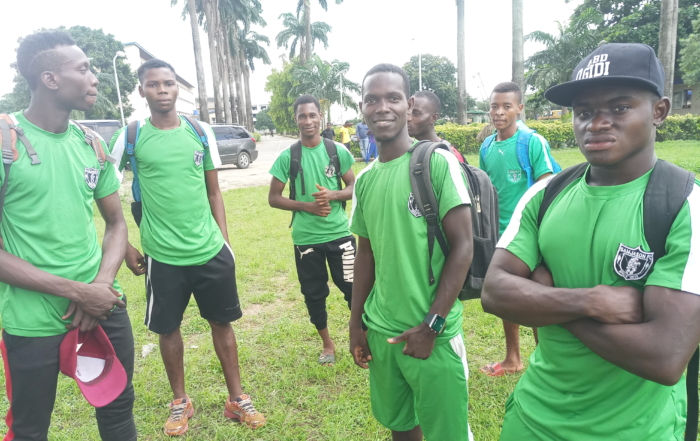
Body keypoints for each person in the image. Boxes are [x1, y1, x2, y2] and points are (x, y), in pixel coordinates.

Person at [482, 43, 700, 440]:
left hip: (636, 431)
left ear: (659, 111)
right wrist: (591, 301)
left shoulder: (683, 205)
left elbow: (665, 356)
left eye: (619, 107)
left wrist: (548, 299)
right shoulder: (546, 194)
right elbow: (494, 292)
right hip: (532, 420)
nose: (596, 123)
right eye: (583, 112)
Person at [110, 59, 265, 436]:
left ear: (177, 87)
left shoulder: (199, 130)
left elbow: (214, 192)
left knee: (222, 323)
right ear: (142, 90)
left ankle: (237, 399)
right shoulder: (131, 136)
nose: (162, 90)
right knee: (168, 329)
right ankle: (180, 401)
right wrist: (126, 246)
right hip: (162, 256)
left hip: (209, 250)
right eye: (153, 84)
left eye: (168, 83)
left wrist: (225, 243)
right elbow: (104, 191)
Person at [0, 30, 136, 440]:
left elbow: (116, 224)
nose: (94, 78)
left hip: (104, 306)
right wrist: (78, 292)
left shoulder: (91, 143)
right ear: (50, 79)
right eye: (83, 69)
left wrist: (100, 286)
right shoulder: (6, 141)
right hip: (33, 320)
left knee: (118, 411)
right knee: (30, 429)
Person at [349, 64, 474, 441]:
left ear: (409, 103)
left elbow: (463, 246)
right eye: (372, 100)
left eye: (393, 97)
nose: (382, 107)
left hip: (432, 334)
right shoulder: (365, 180)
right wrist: (357, 325)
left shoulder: (436, 162)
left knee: (447, 434)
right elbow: (366, 255)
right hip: (381, 331)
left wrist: (432, 325)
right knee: (401, 427)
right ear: (362, 107)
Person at [268, 94, 356, 367]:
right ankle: (327, 344)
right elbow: (273, 198)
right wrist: (307, 207)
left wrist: (333, 195)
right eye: (302, 116)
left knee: (355, 289)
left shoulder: (337, 151)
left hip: (340, 235)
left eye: (312, 115)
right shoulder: (288, 156)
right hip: (306, 239)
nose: (308, 121)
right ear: (296, 120)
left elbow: (354, 188)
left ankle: (362, 336)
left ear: (320, 117)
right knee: (314, 293)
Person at [478, 82, 555, 377]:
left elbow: (546, 185)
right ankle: (513, 358)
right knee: (507, 295)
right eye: (494, 107)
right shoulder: (487, 146)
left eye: (506, 106)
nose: (499, 112)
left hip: (529, 233)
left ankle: (544, 359)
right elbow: (486, 188)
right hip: (499, 234)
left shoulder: (532, 142)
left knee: (535, 294)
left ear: (519, 108)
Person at [407, 90, 465, 163]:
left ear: (433, 118)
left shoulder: (449, 155)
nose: (408, 118)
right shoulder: (405, 149)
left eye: (416, 114)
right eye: (407, 112)